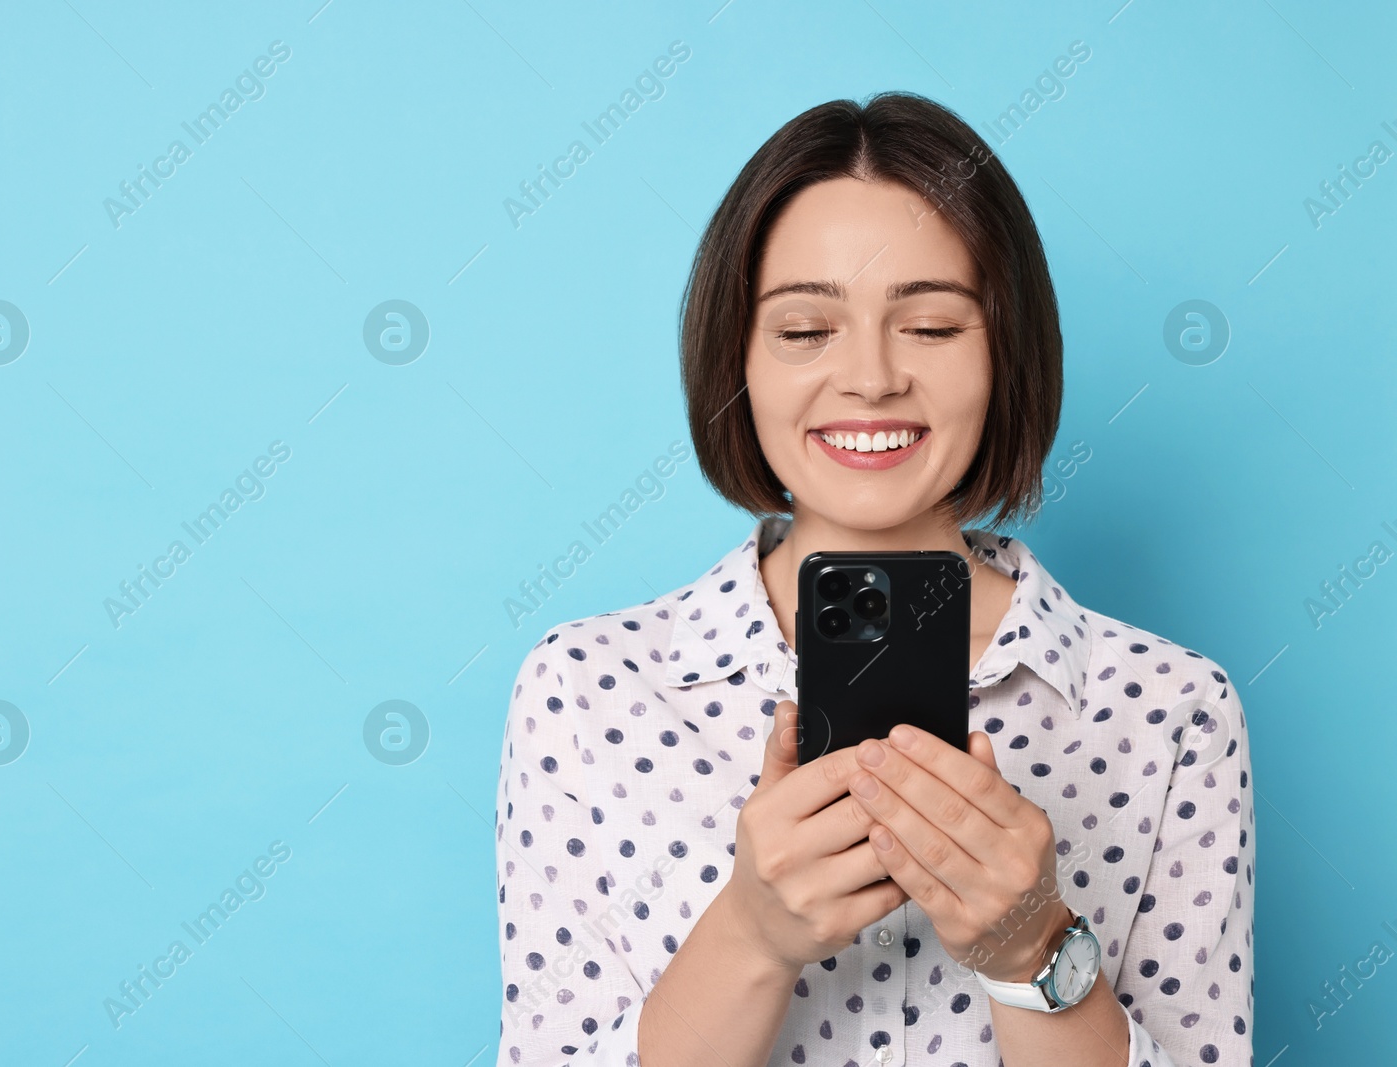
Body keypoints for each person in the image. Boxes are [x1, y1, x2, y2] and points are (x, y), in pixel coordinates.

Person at [492, 92, 1254, 1067]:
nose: (869, 378)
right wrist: (753, 934)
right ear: (737, 360)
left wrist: (1031, 948)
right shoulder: (586, 690)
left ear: (1005, 352)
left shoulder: (1170, 708)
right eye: (805, 329)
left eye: (930, 326)